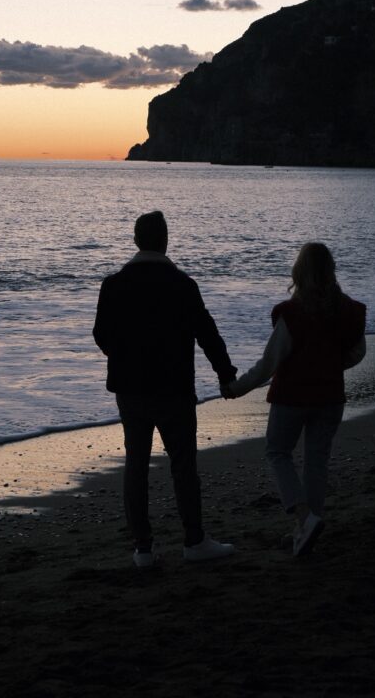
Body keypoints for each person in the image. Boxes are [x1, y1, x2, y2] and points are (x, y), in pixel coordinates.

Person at [93, 210, 238, 568]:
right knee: (183, 465)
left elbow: (101, 335)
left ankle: (142, 548)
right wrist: (226, 375)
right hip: (174, 386)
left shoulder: (113, 284)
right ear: (165, 240)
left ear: (136, 240)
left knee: (136, 465)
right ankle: (193, 540)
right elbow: (207, 334)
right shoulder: (182, 285)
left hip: (130, 388)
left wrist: (124, 355)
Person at [223, 242, 366, 556]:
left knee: (277, 452)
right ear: (331, 271)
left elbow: (268, 365)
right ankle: (307, 526)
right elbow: (357, 353)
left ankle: (304, 518)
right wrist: (330, 364)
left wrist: (236, 388)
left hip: (292, 396)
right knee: (317, 461)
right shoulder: (349, 311)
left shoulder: (291, 313)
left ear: (299, 272)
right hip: (330, 396)